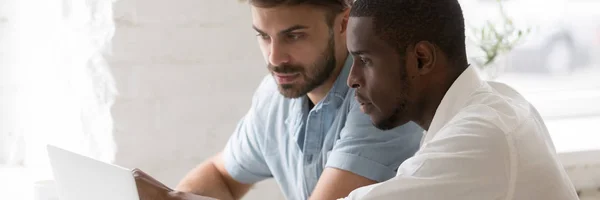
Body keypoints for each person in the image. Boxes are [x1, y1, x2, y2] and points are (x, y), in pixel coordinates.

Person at [132, 0, 423, 200]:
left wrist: (176, 199)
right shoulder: (274, 96)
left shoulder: (380, 97)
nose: (275, 58)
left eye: (294, 36)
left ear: (344, 23)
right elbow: (220, 174)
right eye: (263, 36)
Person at [340, 0, 580, 199]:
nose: (352, 79)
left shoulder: (482, 135)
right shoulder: (497, 101)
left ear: (422, 59)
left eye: (365, 60)